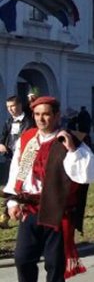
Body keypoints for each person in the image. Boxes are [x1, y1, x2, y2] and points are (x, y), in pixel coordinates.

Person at [3, 96, 94, 282]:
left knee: (54, 263)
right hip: (30, 208)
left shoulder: (71, 140)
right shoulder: (27, 139)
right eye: (37, 115)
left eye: (46, 114)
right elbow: (17, 171)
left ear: (57, 116)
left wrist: (72, 150)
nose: (41, 119)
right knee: (22, 259)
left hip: (56, 210)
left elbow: (90, 174)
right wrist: (12, 201)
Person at [1, 96, 34, 228]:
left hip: (24, 159)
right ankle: (7, 213)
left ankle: (7, 215)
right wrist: (2, 145)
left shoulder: (29, 121)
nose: (11, 110)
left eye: (13, 106)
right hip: (10, 157)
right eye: (8, 107)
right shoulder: (9, 121)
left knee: (21, 187)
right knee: (11, 186)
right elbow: (4, 136)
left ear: (20, 105)